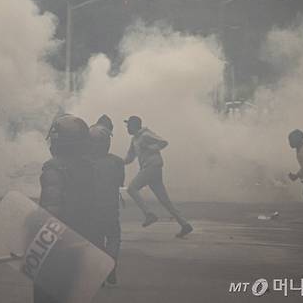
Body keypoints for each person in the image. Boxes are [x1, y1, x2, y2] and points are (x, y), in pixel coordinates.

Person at [36, 114, 100, 303]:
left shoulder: (54, 168)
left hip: (58, 244)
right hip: (84, 239)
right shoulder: (90, 167)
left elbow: (51, 212)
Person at [124, 115, 192, 238]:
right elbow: (130, 157)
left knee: (132, 189)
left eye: (128, 125)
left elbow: (163, 142)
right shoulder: (134, 139)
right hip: (150, 169)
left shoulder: (145, 135)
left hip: (152, 167)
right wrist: (119, 162)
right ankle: (184, 224)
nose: (127, 127)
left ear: (135, 125)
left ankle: (149, 214)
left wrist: (150, 147)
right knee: (164, 200)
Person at [89, 115, 125, 287]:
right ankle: (110, 265)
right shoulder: (117, 162)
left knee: (96, 239)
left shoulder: (85, 163)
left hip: (91, 206)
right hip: (110, 206)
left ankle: (99, 271)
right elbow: (120, 183)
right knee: (113, 236)